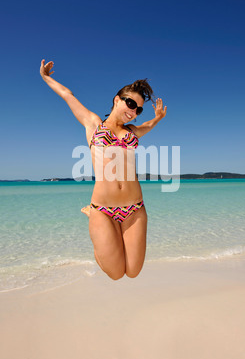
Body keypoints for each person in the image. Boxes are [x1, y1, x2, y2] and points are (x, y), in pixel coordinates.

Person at [40, 59, 167, 280]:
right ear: (117, 100)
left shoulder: (132, 132)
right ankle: (92, 216)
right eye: (130, 104)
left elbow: (146, 126)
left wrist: (157, 118)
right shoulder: (94, 125)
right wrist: (46, 77)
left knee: (133, 272)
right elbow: (68, 95)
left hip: (134, 208)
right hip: (103, 209)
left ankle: (109, 234)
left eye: (138, 109)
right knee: (116, 274)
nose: (134, 111)